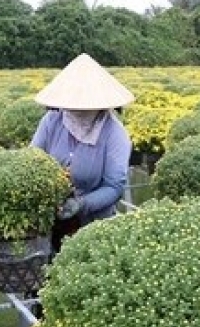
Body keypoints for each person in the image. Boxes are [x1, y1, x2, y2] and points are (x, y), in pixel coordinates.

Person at [30, 52, 134, 254]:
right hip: (49, 224)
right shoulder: (52, 121)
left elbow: (114, 186)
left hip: (94, 227)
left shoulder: (114, 134)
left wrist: (81, 204)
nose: (76, 112)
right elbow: (32, 160)